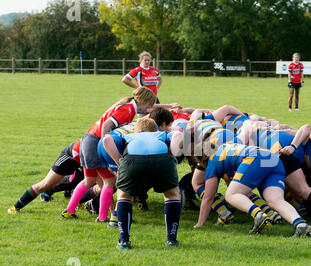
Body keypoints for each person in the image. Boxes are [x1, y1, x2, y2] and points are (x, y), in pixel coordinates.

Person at [60, 87, 156, 221]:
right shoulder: (128, 109)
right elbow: (106, 126)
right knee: (98, 181)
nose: (148, 109)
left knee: (105, 181)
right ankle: (95, 215)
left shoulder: (129, 106)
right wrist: (106, 147)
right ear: (143, 101)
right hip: (94, 142)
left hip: (91, 140)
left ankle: (87, 214)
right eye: (148, 106)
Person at [193, 141, 311, 237]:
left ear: (202, 159)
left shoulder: (212, 160)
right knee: (275, 200)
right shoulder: (225, 146)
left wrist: (200, 224)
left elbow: (208, 197)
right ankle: (301, 225)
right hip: (272, 158)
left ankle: (258, 215)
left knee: (231, 194)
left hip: (255, 158)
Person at [114, 117, 183, 249]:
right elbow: (179, 134)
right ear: (154, 129)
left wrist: (120, 162)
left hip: (132, 160)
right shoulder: (162, 134)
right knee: (172, 195)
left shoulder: (129, 136)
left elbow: (106, 140)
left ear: (137, 130)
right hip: (162, 160)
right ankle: (171, 240)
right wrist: (173, 155)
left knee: (124, 197)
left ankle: (124, 241)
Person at [9, 140, 81, 214]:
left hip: (84, 158)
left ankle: (78, 200)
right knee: (46, 184)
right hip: (72, 155)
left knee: (82, 181)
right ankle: (15, 207)